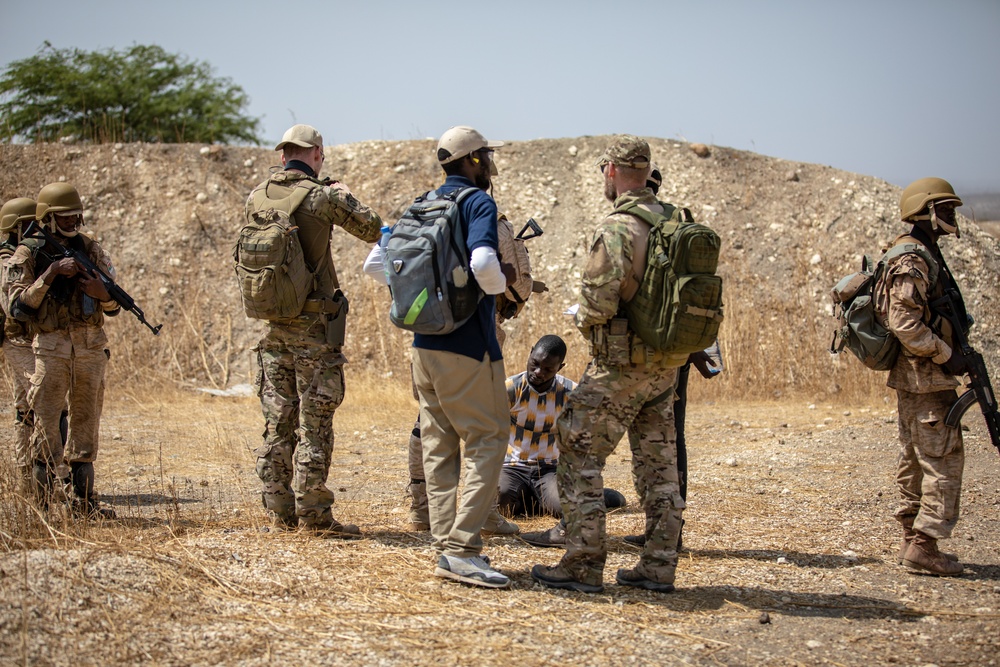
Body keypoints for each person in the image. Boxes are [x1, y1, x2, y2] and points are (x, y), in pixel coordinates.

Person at [529, 135, 684, 594]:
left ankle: (582, 564)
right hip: (665, 366)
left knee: (577, 451)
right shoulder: (675, 220)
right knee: (659, 467)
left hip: (621, 365)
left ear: (611, 172)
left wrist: (587, 318)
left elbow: (596, 305)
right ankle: (657, 568)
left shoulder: (618, 227)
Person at [247, 124, 382, 536]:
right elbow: (373, 228)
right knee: (315, 420)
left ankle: (279, 510)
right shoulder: (324, 195)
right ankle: (315, 516)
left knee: (277, 419)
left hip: (274, 326)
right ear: (317, 153)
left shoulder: (257, 196)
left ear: (284, 153)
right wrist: (340, 189)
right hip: (313, 328)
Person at [409, 125, 514, 588]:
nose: (488, 164)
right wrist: (501, 287)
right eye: (485, 156)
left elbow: (377, 266)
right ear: (472, 161)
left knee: (439, 445)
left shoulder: (422, 203)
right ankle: (464, 549)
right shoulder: (477, 202)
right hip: (468, 347)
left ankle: (444, 546)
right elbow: (483, 263)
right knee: (489, 438)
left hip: (424, 346)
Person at [4, 183, 118, 517]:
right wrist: (51, 274)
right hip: (50, 347)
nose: (73, 221)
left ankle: (84, 504)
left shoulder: (89, 248)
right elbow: (17, 306)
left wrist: (100, 292)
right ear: (48, 218)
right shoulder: (26, 254)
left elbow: (113, 304)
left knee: (85, 425)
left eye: (75, 215)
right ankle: (41, 507)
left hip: (89, 347)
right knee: (47, 423)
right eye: (65, 216)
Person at [622, 166, 720, 550]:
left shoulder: (630, 226)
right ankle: (664, 531)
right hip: (676, 350)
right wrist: (700, 346)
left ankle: (663, 531)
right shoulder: (681, 224)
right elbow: (698, 294)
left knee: (649, 439)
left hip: (640, 351)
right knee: (667, 437)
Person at [877, 177, 971, 577]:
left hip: (918, 377)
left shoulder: (919, 252)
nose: (951, 216)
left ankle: (913, 541)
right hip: (926, 377)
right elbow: (903, 321)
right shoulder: (913, 258)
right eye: (944, 209)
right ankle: (923, 544)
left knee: (916, 457)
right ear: (925, 212)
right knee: (941, 459)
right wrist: (947, 354)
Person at [500, 334, 626, 518]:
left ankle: (562, 497)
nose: (538, 372)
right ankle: (540, 499)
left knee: (565, 509)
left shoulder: (571, 394)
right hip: (512, 467)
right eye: (534, 363)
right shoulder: (510, 389)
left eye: (547, 369)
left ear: (560, 367)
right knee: (501, 504)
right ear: (530, 352)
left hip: (549, 469)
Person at [0, 197, 44, 486]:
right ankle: (41, 475)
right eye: (29, 224)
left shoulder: (26, 254)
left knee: (24, 407)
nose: (35, 229)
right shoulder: (7, 259)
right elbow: (11, 305)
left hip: (28, 338)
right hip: (16, 338)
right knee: (40, 401)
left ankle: (28, 477)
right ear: (16, 227)